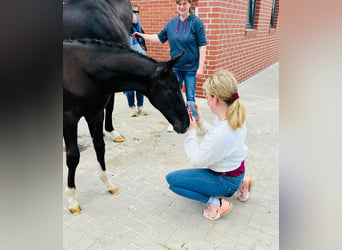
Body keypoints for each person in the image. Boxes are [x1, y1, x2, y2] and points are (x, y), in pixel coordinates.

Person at [165, 70, 255, 220]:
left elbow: (196, 159)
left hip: (225, 180)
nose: (206, 100)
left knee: (173, 182)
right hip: (237, 170)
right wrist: (200, 122)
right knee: (179, 180)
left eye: (207, 96)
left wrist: (191, 132)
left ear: (216, 99)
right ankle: (242, 184)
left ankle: (216, 204)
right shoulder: (234, 115)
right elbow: (218, 137)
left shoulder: (221, 132)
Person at [133, 0, 207, 131]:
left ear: (190, 5)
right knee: (172, 96)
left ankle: (196, 122)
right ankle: (175, 121)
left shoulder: (196, 23)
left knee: (190, 98)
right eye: (179, 4)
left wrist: (200, 67)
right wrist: (141, 35)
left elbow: (202, 45)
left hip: (191, 68)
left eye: (185, 3)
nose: (182, 7)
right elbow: (159, 38)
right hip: (175, 68)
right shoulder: (172, 23)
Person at [126, 4, 148, 117]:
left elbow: (144, 47)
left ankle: (140, 106)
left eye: (137, 11)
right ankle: (132, 107)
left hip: (140, 59)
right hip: (128, 59)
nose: (135, 14)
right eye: (132, 11)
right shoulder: (124, 28)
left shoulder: (139, 29)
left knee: (140, 83)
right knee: (130, 84)